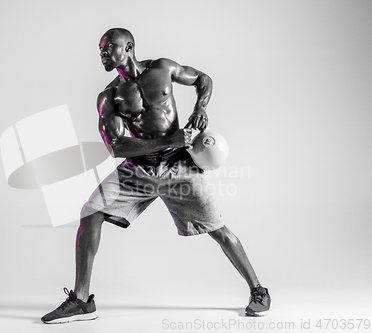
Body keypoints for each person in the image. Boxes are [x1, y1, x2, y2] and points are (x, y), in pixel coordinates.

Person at [41, 28, 271, 324]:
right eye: (100, 49)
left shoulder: (162, 68)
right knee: (90, 213)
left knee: (218, 229)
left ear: (129, 47)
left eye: (108, 47)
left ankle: (258, 290)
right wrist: (168, 140)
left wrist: (201, 107)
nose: (102, 53)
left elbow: (203, 79)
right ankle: (82, 301)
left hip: (179, 166)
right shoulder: (108, 97)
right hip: (139, 168)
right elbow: (117, 146)